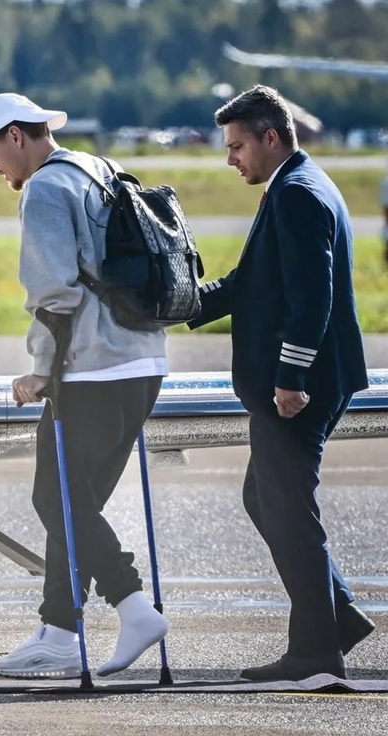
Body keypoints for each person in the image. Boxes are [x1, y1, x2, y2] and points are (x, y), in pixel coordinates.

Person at [0, 93, 168, 679]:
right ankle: (59, 630)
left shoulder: (46, 189)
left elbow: (54, 293)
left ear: (14, 136)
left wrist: (40, 369)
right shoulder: (97, 169)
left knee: (53, 498)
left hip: (92, 369)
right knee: (76, 504)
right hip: (143, 364)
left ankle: (132, 605)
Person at [190, 85, 374, 681]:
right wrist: (183, 303)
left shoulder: (296, 194)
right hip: (306, 379)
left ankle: (317, 650)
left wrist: (291, 377)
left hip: (302, 386)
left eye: (238, 145)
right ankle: (338, 613)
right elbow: (254, 280)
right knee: (265, 497)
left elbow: (312, 295)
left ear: (272, 137)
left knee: (288, 507)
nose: (230, 157)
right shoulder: (297, 184)